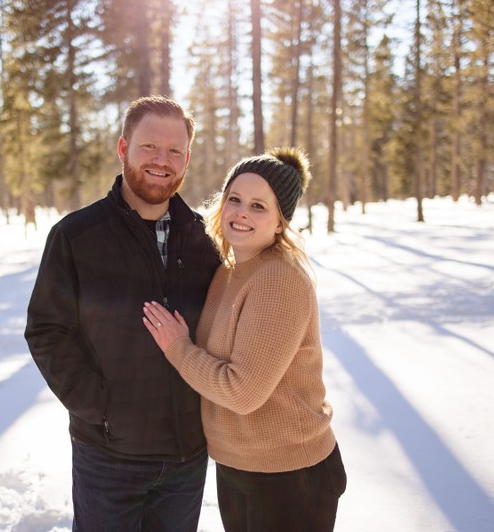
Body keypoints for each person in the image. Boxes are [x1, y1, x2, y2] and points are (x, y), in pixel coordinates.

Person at [24, 95, 221, 532]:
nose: (162, 160)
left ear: (186, 159)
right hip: (108, 458)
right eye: (149, 146)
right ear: (123, 148)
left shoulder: (208, 240)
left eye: (175, 151)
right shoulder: (77, 236)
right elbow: (47, 330)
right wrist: (97, 407)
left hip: (187, 459)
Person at [142, 146, 347, 532]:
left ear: (280, 222)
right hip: (242, 466)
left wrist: (178, 348)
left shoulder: (278, 280)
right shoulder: (231, 270)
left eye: (258, 206)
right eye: (234, 199)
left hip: (290, 476)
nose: (241, 213)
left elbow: (242, 393)